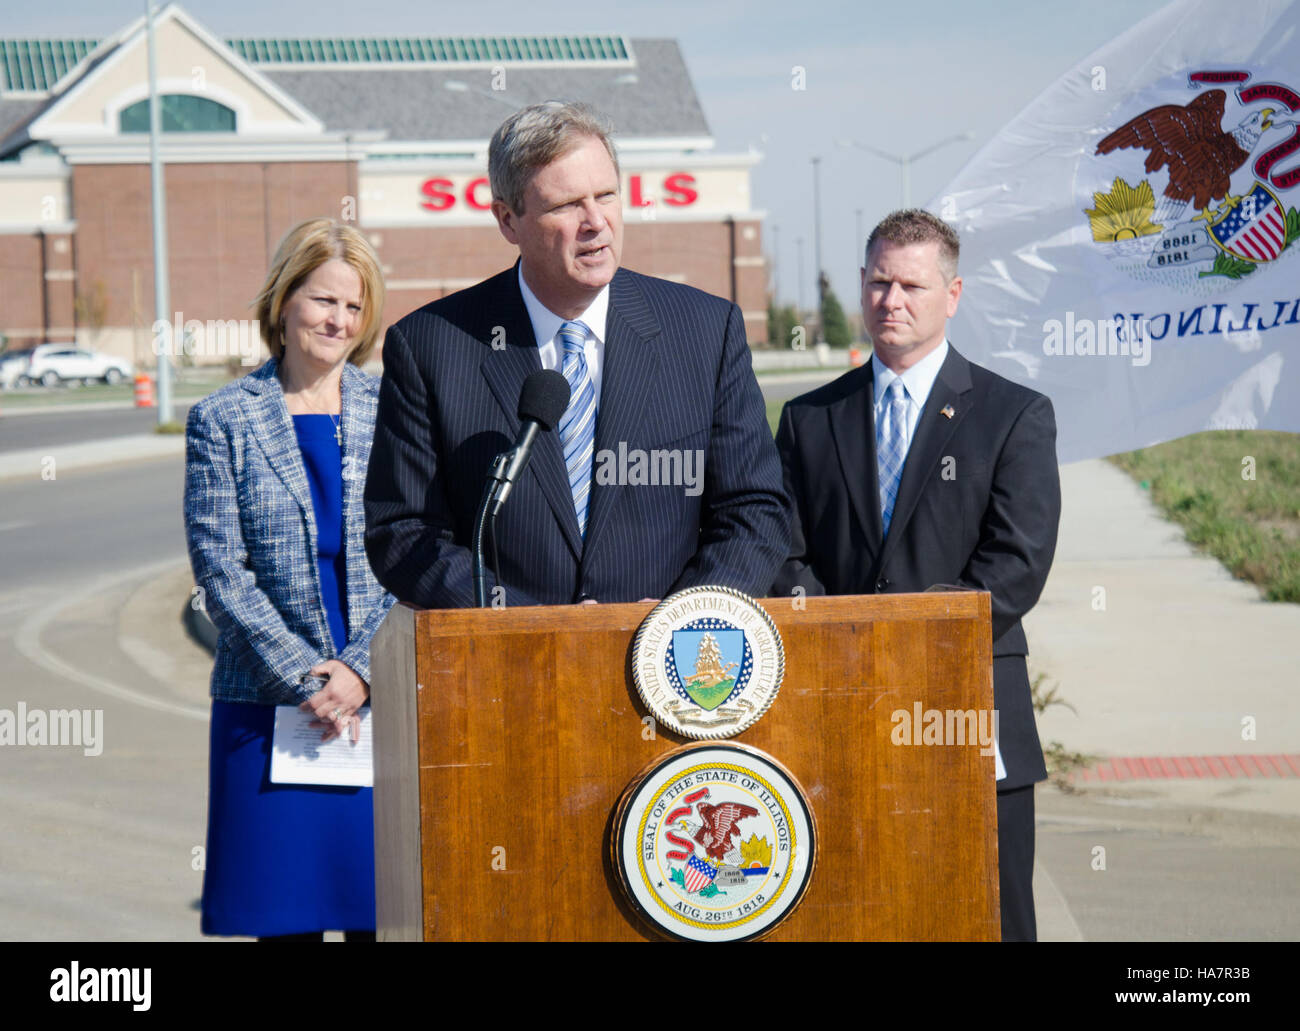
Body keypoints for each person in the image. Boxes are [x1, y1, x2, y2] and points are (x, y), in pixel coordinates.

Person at [364, 102, 788, 607]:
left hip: (665, 665)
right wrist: (535, 630)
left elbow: (754, 511)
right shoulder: (431, 346)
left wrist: (677, 621)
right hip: (509, 665)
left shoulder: (705, 331)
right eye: (566, 205)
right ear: (508, 220)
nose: (596, 222)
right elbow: (404, 532)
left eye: (607, 196)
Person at [773, 209, 1061, 941]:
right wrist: (843, 635)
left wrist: (905, 639)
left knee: (991, 913)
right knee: (862, 909)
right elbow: (782, 549)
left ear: (953, 294)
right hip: (842, 706)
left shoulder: (1013, 415)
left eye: (911, 285)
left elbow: (1016, 563)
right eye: (877, 282)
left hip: (965, 708)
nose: (890, 300)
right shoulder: (809, 419)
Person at [184, 217, 395, 940]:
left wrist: (360, 672)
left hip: (381, 705)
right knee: (287, 924)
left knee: (384, 916)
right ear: (283, 301)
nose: (338, 319)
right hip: (270, 702)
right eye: (323, 299)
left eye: (354, 306)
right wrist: (312, 681)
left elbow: (419, 552)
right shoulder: (222, 419)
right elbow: (221, 572)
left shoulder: (398, 414)